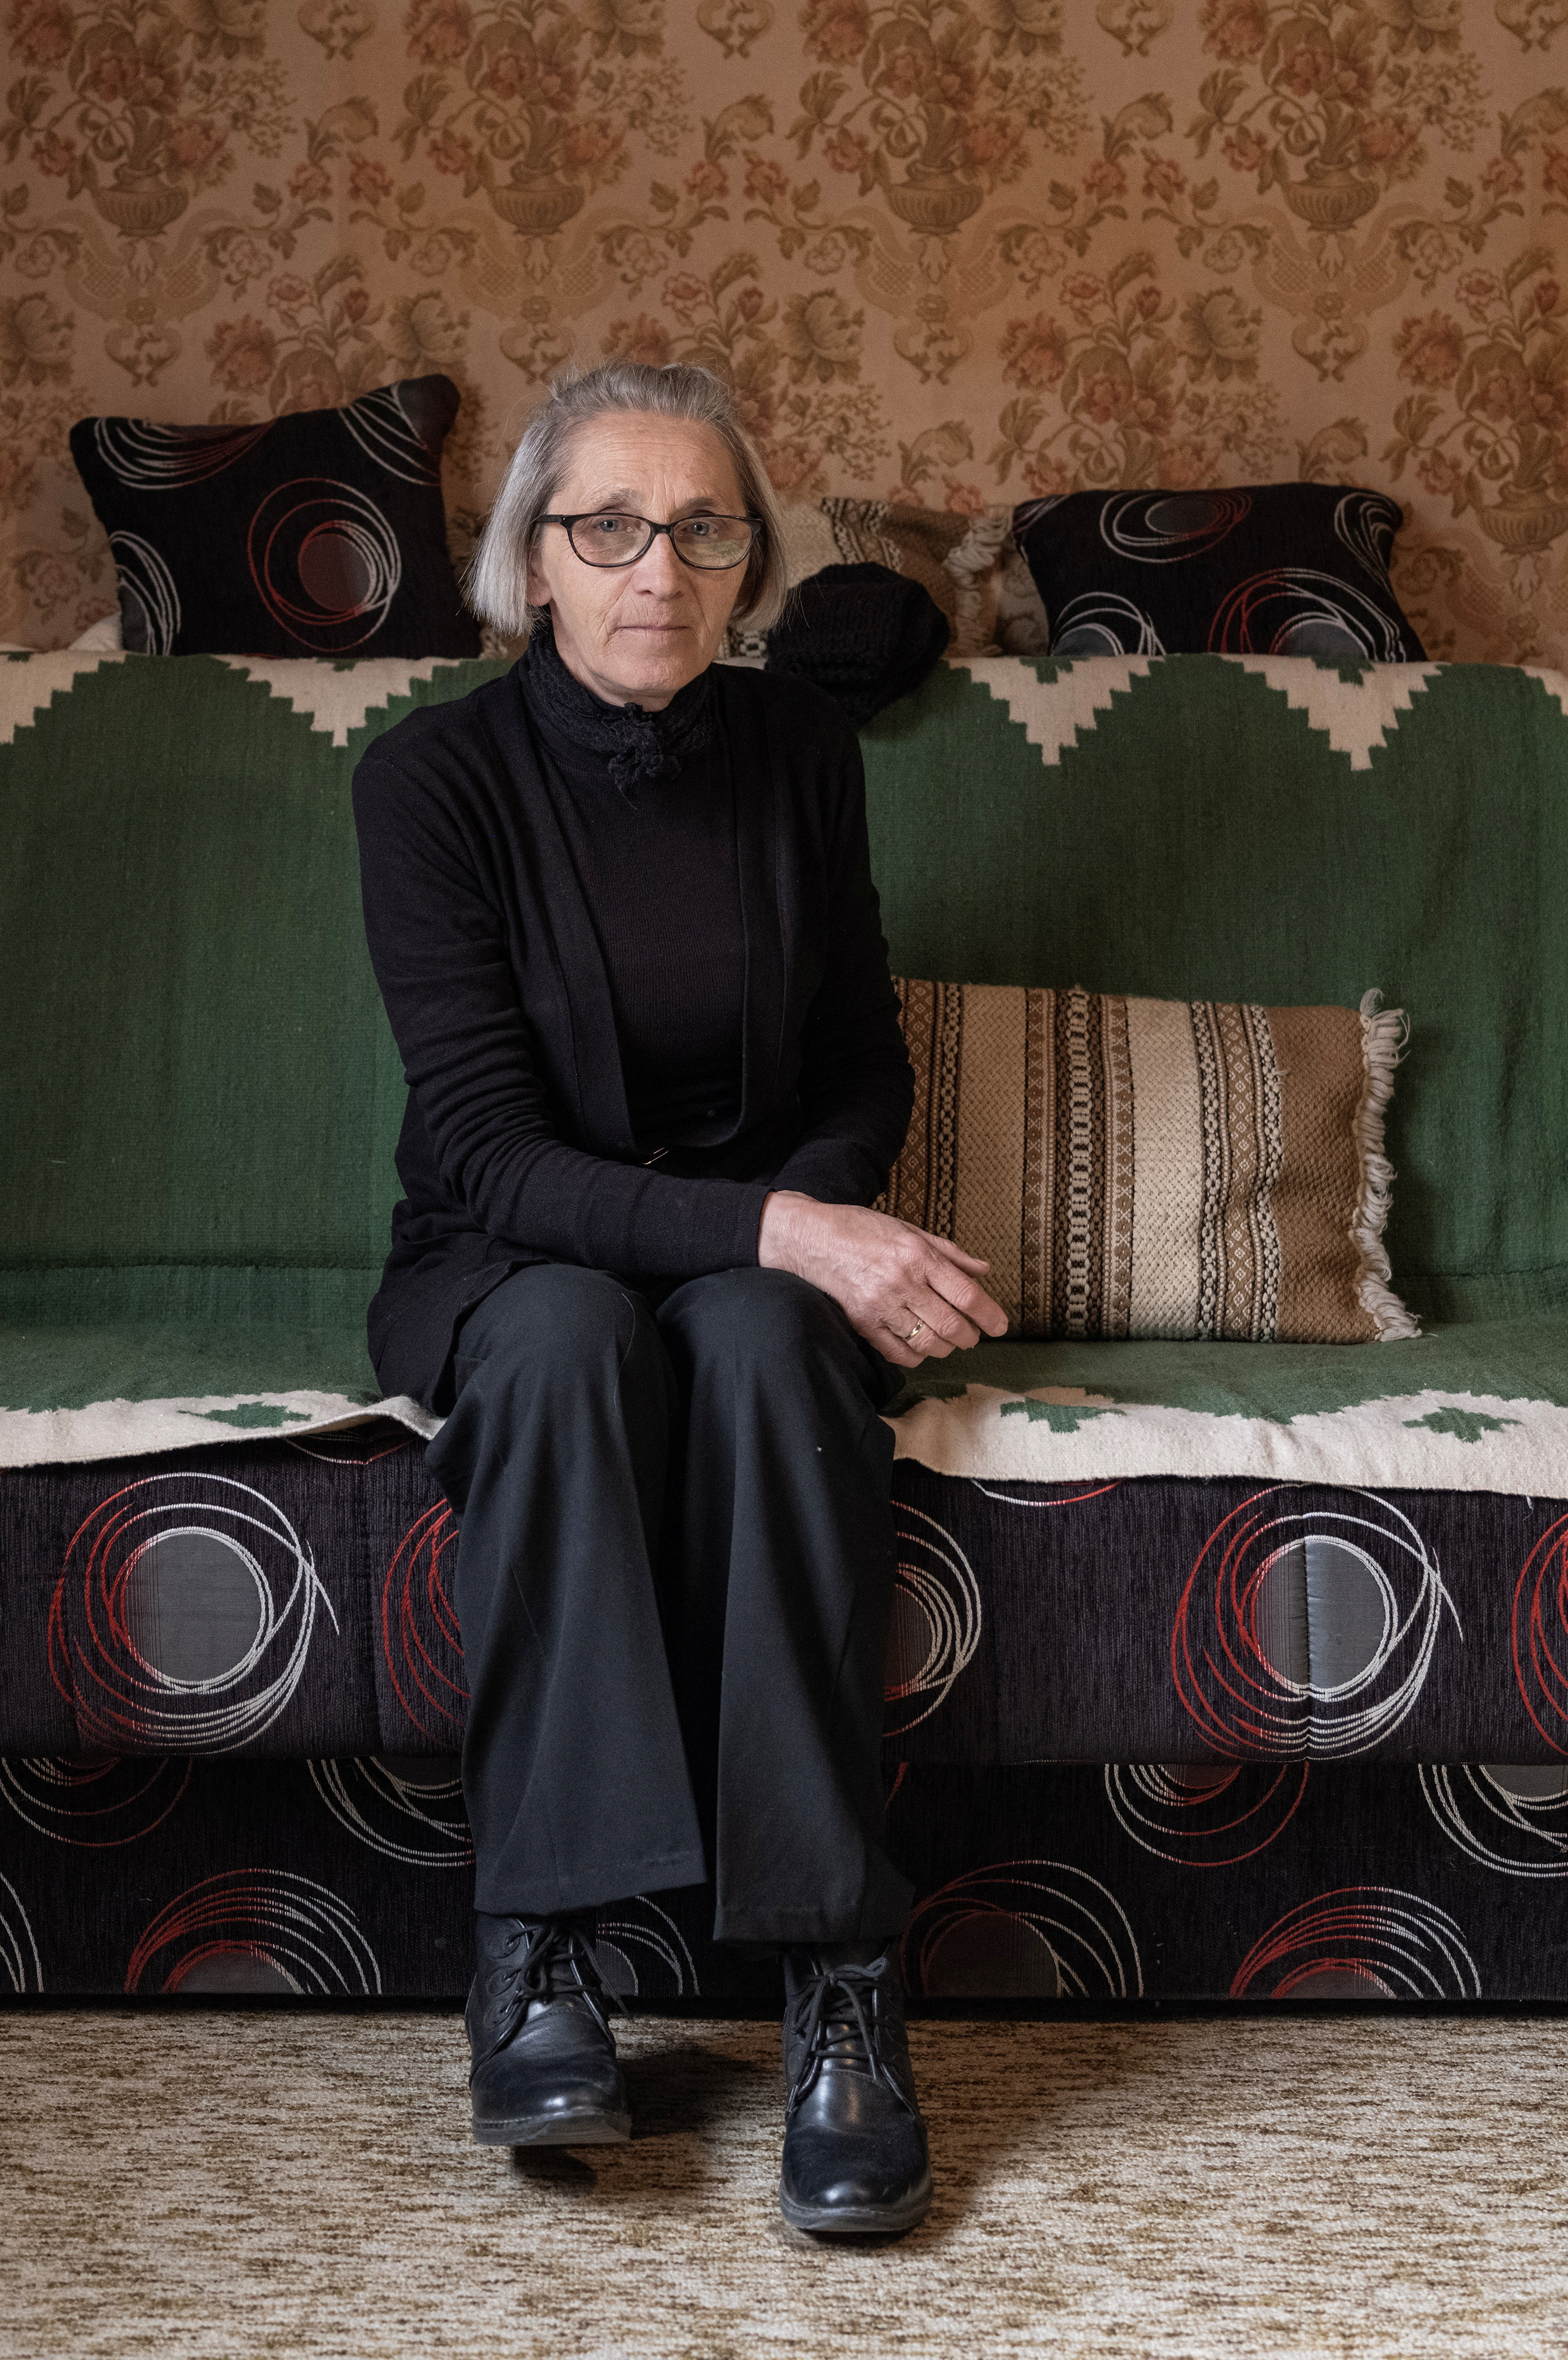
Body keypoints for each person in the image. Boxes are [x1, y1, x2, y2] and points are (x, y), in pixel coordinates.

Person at [350, 360, 1008, 2238]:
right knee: (568, 1342)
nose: (659, 567)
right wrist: (796, 1228)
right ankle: (540, 1943)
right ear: (532, 564)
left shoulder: (801, 752)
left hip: (752, 1260)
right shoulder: (430, 783)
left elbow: (863, 1059)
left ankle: (838, 1984)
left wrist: (807, 1227)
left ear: (748, 565)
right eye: (611, 526)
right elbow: (489, 1150)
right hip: (512, 1253)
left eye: (703, 528)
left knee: (770, 1355)